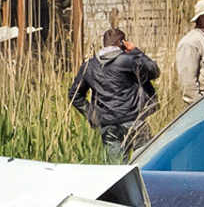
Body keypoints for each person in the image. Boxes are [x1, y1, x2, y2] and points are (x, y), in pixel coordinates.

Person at [69, 26, 161, 161]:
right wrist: (136, 51)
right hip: (133, 119)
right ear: (122, 42)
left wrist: (93, 115)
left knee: (116, 168)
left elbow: (75, 95)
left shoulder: (89, 65)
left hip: (108, 124)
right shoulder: (128, 60)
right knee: (145, 162)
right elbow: (154, 71)